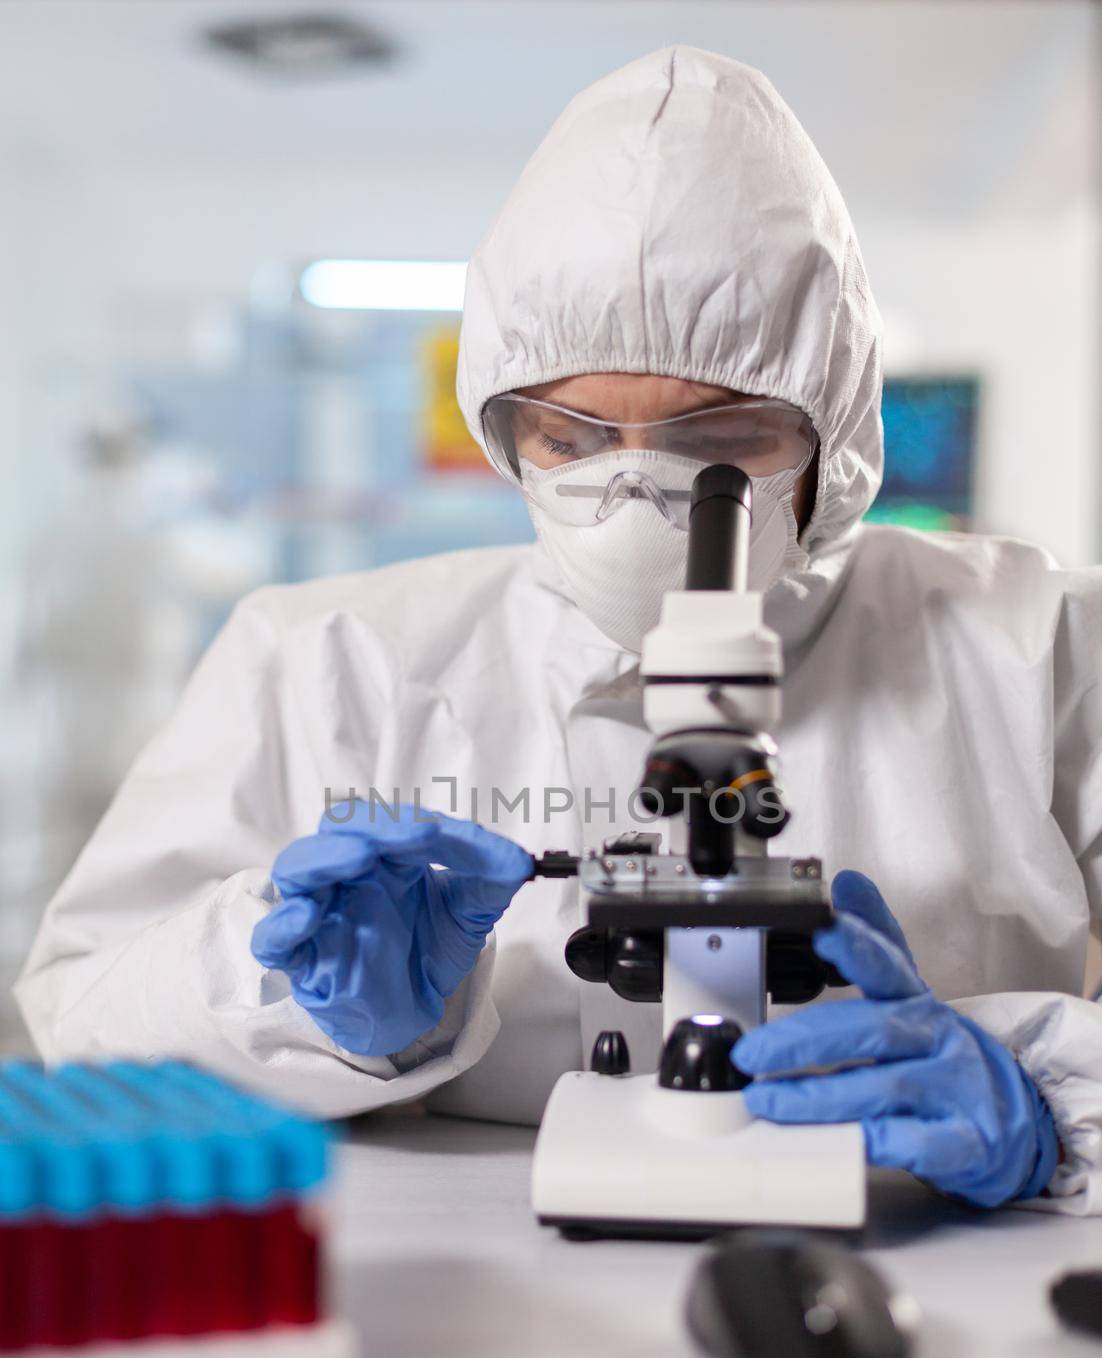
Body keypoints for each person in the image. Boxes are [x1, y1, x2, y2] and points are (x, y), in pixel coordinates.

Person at [15, 48, 1102, 1213]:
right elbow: (81, 1023)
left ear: (829, 436)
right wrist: (299, 998)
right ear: (504, 426)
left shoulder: (1039, 646)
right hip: (468, 1339)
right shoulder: (325, 652)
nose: (641, 495)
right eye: (573, 437)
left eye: (721, 438)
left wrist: (1047, 1094)